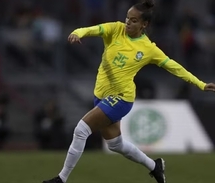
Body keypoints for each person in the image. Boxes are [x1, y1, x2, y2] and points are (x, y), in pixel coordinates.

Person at [42, 1, 215, 183]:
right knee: (116, 145)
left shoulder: (148, 48)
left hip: (121, 98)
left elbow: (174, 67)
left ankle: (61, 179)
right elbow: (90, 29)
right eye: (127, 18)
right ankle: (155, 166)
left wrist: (200, 84)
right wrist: (77, 33)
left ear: (144, 24)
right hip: (101, 95)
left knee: (81, 130)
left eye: (133, 20)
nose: (127, 23)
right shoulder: (115, 29)